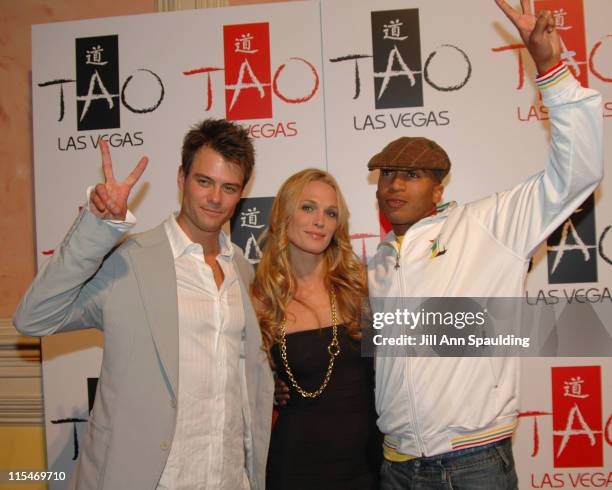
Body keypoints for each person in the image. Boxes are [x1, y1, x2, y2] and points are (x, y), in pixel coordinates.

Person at [368, 1, 603, 488]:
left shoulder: (488, 224)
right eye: (386, 175)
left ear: (439, 189)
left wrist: (549, 69)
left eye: (410, 175)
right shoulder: (381, 262)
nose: (393, 185)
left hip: (472, 465)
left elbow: (578, 172)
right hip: (397, 466)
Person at [13, 120, 274, 490]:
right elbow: (33, 318)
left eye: (228, 187)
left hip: (227, 478)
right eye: (204, 181)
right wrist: (97, 228)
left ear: (241, 192)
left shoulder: (242, 270)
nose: (215, 197)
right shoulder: (131, 260)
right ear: (181, 178)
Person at [251, 169, 381, 490]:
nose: (319, 220)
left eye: (330, 212)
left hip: (368, 465)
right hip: (296, 467)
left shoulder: (360, 285)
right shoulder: (261, 297)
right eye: (308, 207)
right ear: (285, 213)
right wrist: (270, 386)